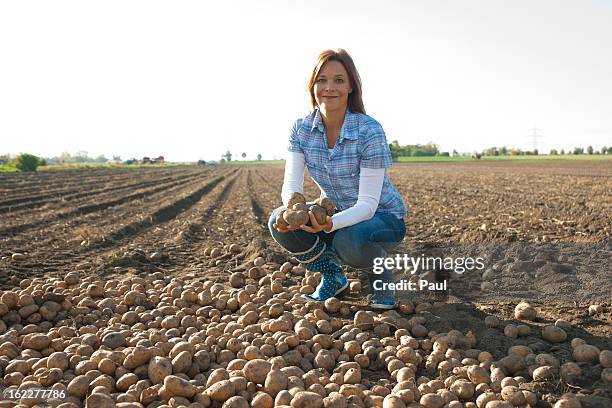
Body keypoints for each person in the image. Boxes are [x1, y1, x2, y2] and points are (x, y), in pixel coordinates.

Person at [267, 49, 407, 310]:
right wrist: (294, 211)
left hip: (383, 217)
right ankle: (333, 275)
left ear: (351, 87)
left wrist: (328, 225)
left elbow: (367, 205)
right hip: (339, 214)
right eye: (322, 80)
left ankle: (382, 277)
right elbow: (291, 186)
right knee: (278, 221)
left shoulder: (369, 130)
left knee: (348, 240)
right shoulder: (301, 129)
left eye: (339, 80)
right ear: (313, 85)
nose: (329, 88)